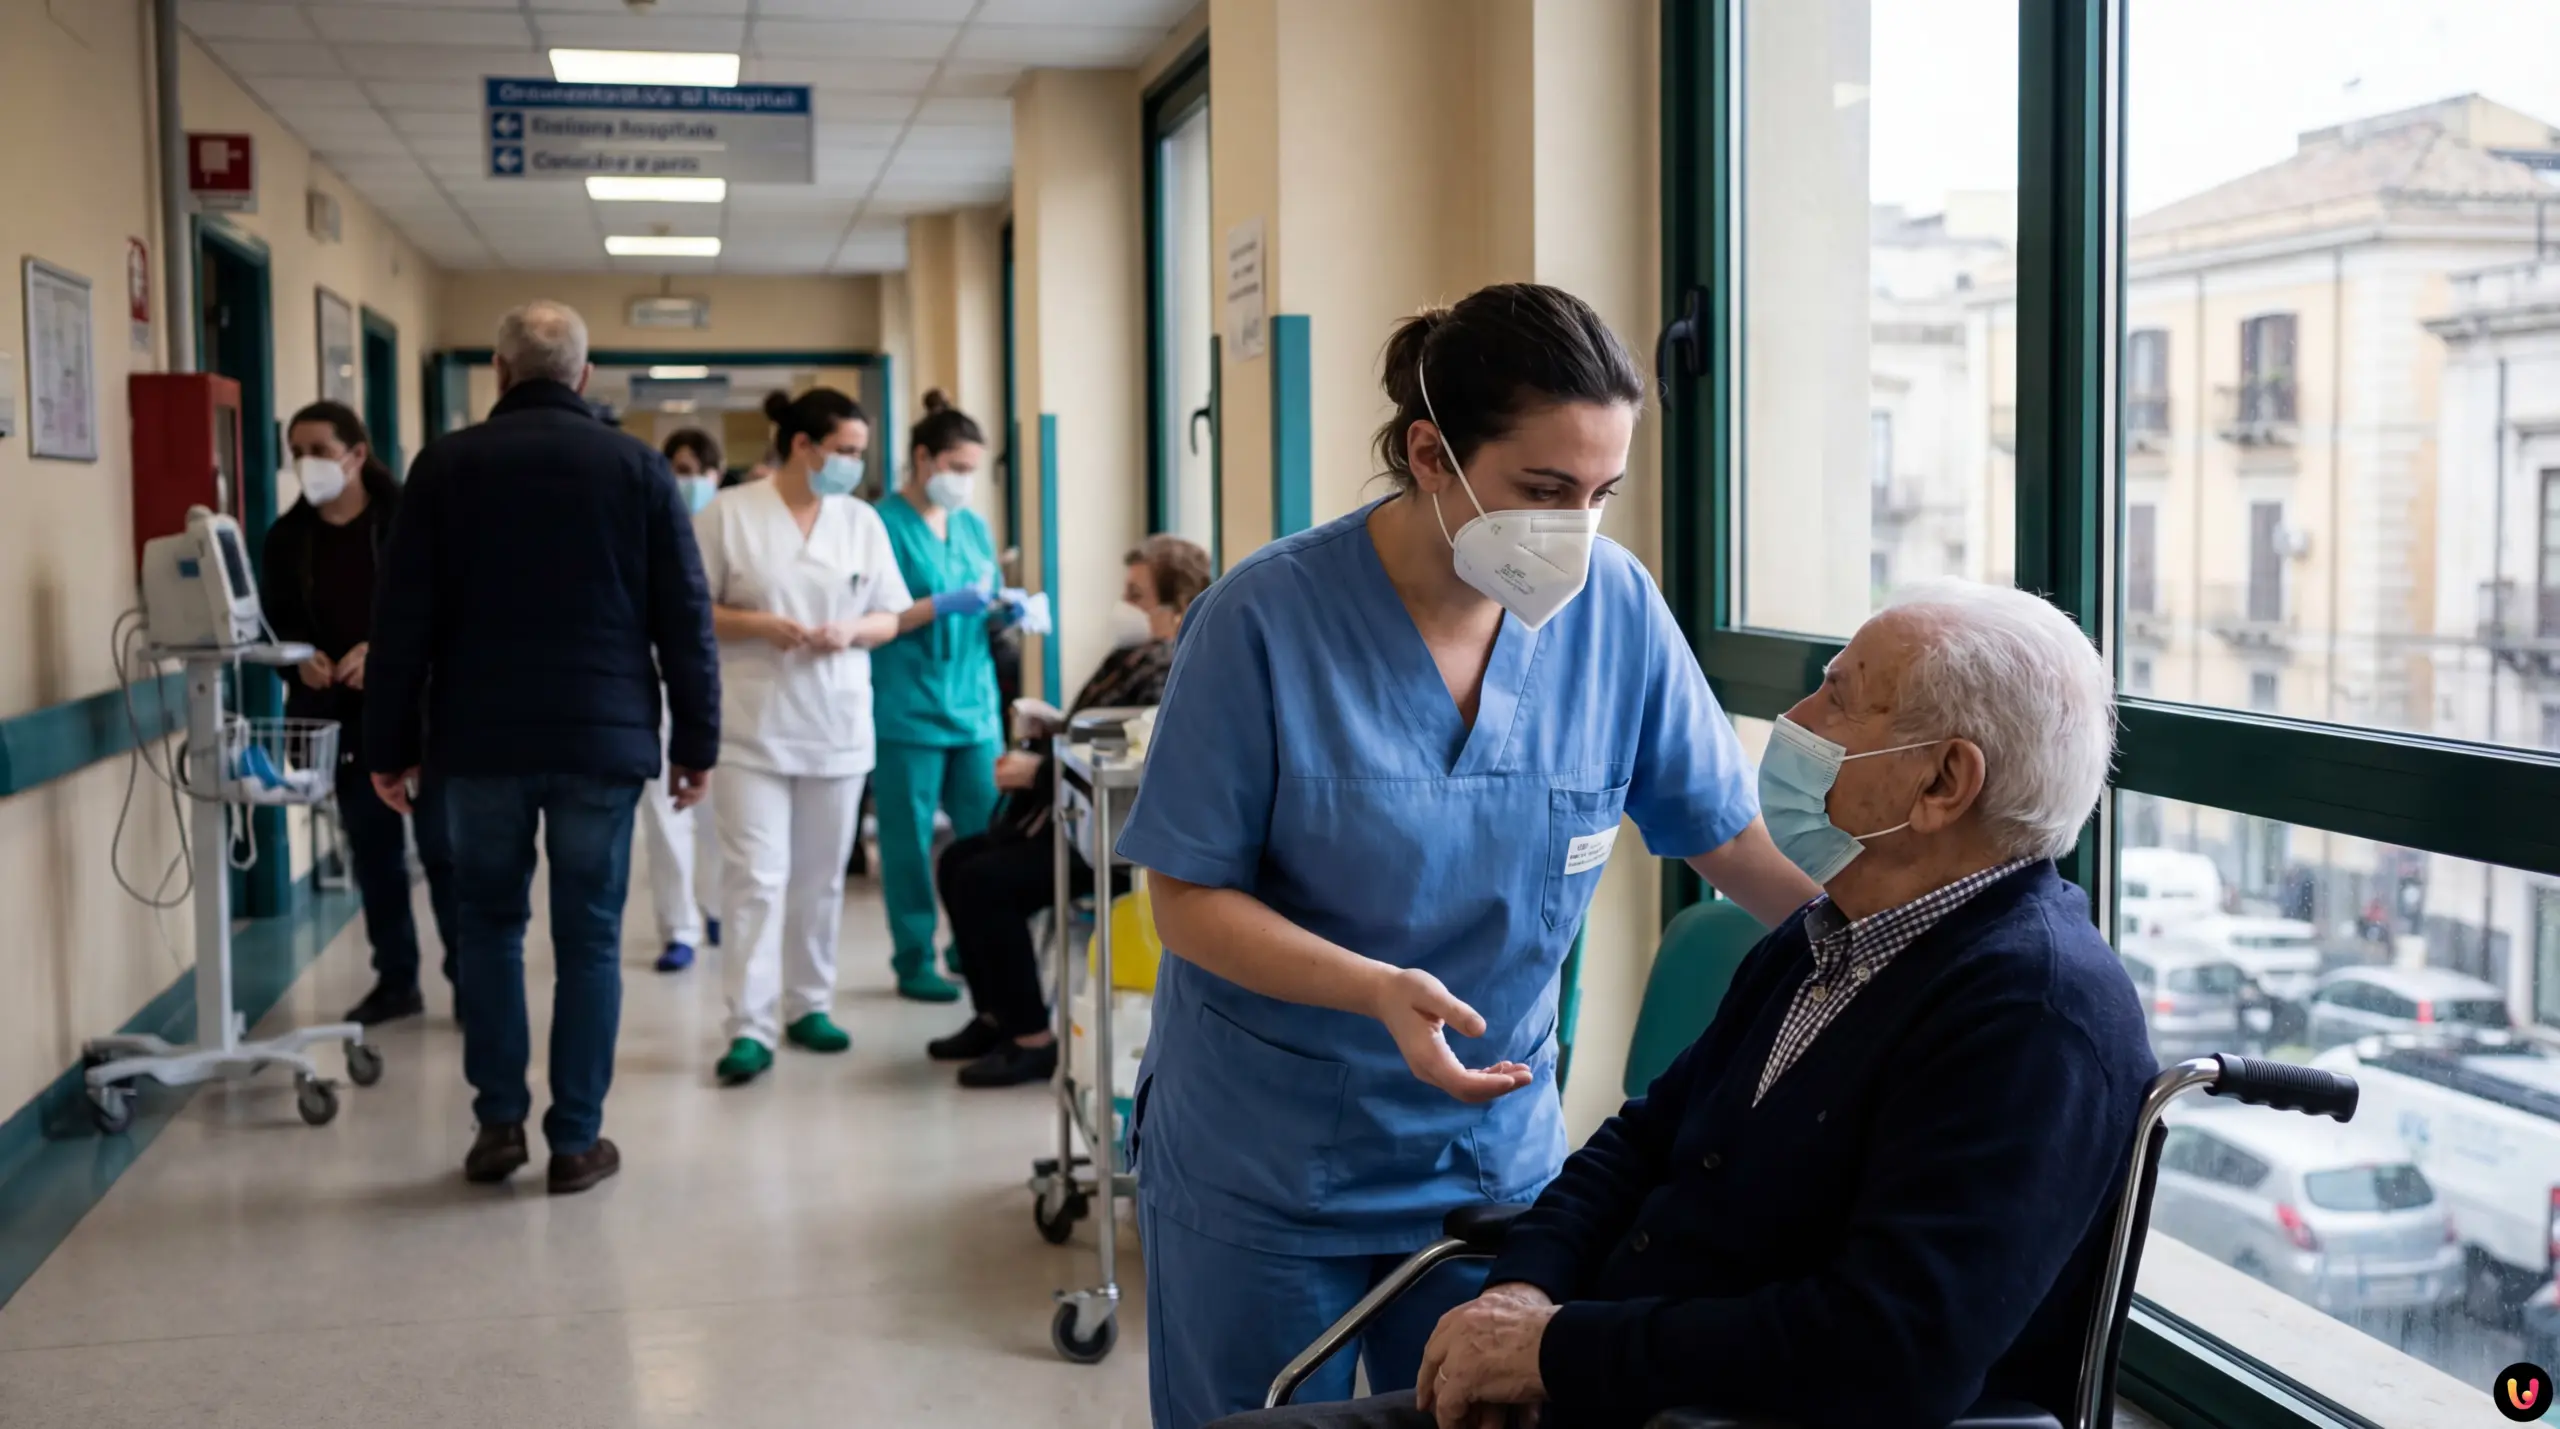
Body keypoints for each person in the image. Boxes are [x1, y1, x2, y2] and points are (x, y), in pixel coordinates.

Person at [1114, 283, 1822, 1429]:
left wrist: (1894, 945)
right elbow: (1189, 897)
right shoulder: (1261, 620)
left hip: (1489, 1164)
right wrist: (1374, 988)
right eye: (1543, 491)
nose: (1574, 530)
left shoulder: (1615, 611)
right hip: (1269, 1157)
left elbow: (1725, 833)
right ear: (1430, 453)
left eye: (1600, 495)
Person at [1213, 580, 2153, 1429]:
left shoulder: (2037, 1017)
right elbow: (1644, 1138)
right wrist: (1522, 1293)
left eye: (1839, 695)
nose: (1797, 717)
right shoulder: (1832, 932)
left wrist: (1553, 1352)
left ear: (1944, 781)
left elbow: (1886, 1352)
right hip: (1601, 1381)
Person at [366, 300, 719, 1196]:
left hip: (478, 740)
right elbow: (685, 619)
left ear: (499, 370)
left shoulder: (443, 468)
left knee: (487, 928)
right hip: (602, 743)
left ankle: (496, 1122)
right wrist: (697, 742)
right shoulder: (640, 468)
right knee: (591, 939)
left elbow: (401, 621)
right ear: (584, 376)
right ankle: (575, 1139)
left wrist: (389, 744)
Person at [927, 534, 1212, 1088]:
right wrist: (1053, 729)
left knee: (986, 882)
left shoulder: (1174, 667)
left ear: (1176, 611)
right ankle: (996, 1016)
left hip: (1115, 834)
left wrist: (1040, 771)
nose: (1124, 604)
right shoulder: (1127, 657)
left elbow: (1141, 753)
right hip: (1072, 813)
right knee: (957, 861)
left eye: (1137, 593)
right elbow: (1099, 731)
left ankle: (1033, 1039)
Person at [695, 388, 917, 1085]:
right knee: (757, 878)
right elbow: (690, 607)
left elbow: (894, 613)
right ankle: (749, 1026)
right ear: (802, 445)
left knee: (821, 879)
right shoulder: (729, 514)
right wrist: (761, 624)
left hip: (837, 722)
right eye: (846, 450)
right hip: (750, 726)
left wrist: (853, 630)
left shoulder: (861, 522)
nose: (854, 463)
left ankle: (808, 1004)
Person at [259, 400, 458, 1026]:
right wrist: (299, 662)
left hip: (424, 714)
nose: (306, 463)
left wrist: (388, 652)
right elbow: (274, 626)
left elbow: (450, 611)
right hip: (345, 721)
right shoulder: (288, 539)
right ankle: (397, 979)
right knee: (373, 852)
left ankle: (469, 980)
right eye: (296, 452)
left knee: (443, 850)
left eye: (318, 449)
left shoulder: (410, 522)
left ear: (357, 455)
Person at [869, 389, 1007, 1004]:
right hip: (908, 707)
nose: (964, 482)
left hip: (974, 705)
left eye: (972, 471)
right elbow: (875, 615)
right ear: (923, 460)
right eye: (956, 468)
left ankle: (969, 943)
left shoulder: (972, 525)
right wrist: (941, 606)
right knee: (908, 841)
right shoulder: (882, 524)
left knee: (984, 836)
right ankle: (914, 955)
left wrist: (1010, 611)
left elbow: (989, 594)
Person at [641, 428, 728, 974]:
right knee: (664, 810)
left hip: (725, 688)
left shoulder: (733, 527)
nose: (687, 479)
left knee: (720, 812)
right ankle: (679, 928)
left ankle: (718, 905)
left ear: (718, 475)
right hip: (656, 683)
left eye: (698, 468)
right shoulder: (646, 526)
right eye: (678, 467)